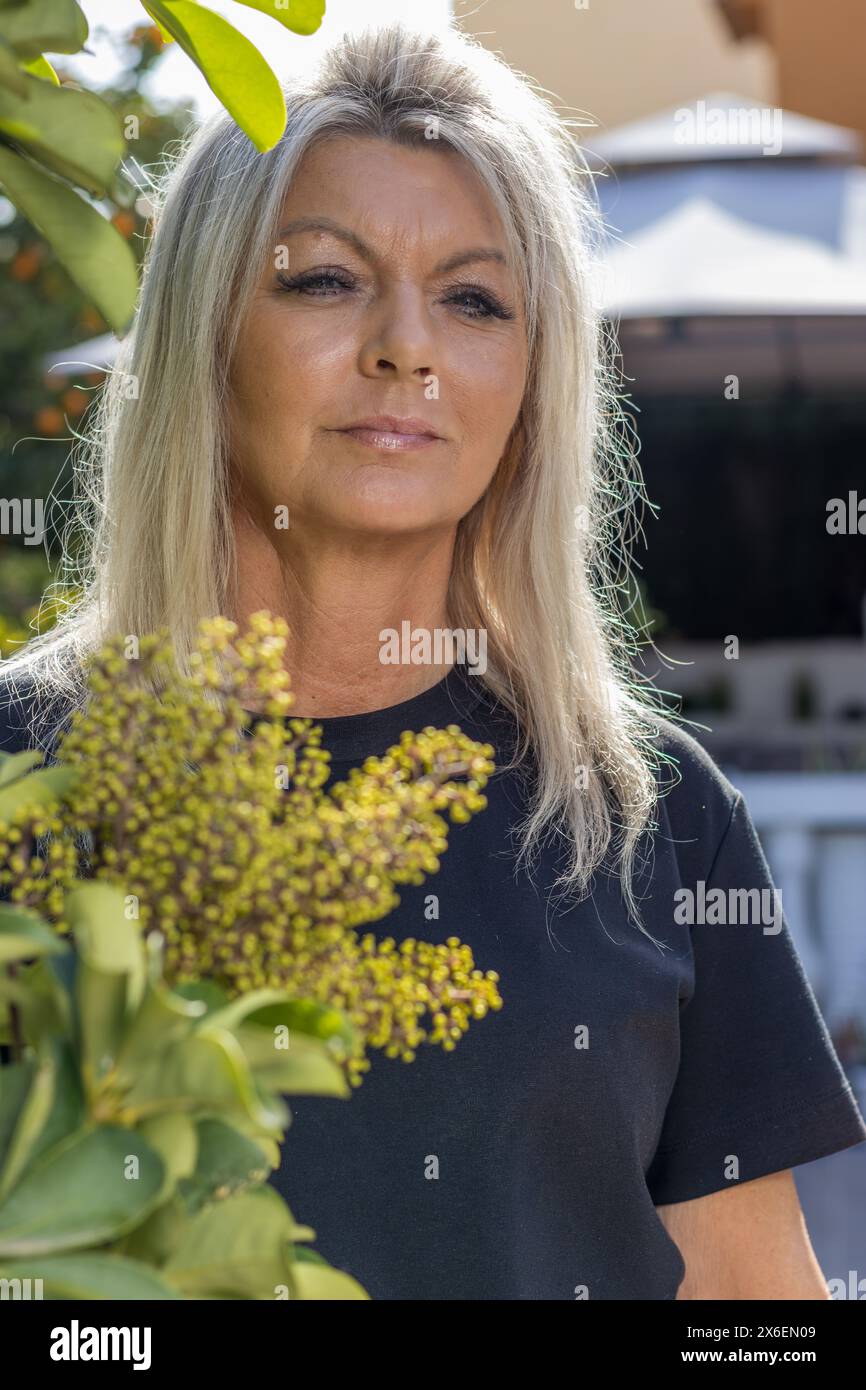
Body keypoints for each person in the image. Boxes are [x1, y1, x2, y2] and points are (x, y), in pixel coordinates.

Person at [1, 21, 863, 1300]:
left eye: (472, 298)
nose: (407, 346)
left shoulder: (649, 817)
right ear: (203, 333)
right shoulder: (27, 775)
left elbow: (756, 1311)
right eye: (324, 279)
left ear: (531, 376)